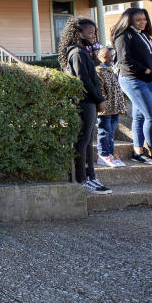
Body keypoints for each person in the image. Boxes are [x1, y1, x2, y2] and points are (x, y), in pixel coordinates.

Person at [110, 7, 152, 166]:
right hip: (133, 80)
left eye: (144, 19)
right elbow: (125, 61)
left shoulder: (143, 35)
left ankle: (138, 152)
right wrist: (146, 70)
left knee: (139, 116)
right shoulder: (124, 36)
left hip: (148, 81)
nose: (142, 22)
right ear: (129, 20)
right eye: (138, 20)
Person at [58, 17, 110, 194]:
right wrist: (99, 99)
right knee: (83, 140)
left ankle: (91, 177)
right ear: (78, 33)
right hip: (84, 103)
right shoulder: (77, 53)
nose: (94, 35)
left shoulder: (82, 51)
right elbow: (84, 81)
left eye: (95, 32)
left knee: (88, 141)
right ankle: (81, 179)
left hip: (89, 103)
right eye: (90, 32)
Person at [95, 46, 127, 168]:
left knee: (111, 133)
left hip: (114, 108)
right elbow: (100, 90)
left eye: (110, 56)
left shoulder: (111, 71)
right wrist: (102, 103)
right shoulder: (98, 71)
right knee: (104, 131)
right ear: (99, 58)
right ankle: (103, 155)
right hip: (105, 109)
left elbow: (117, 90)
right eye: (105, 57)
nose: (109, 59)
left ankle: (110, 154)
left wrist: (121, 104)